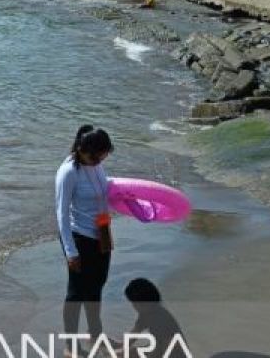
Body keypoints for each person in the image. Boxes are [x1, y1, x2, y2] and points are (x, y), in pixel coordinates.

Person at [56, 125, 115, 340]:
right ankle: (71, 344)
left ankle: (96, 334)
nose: (100, 160)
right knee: (76, 293)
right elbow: (61, 214)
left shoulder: (96, 165)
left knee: (96, 287)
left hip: (101, 233)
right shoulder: (69, 172)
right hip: (79, 236)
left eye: (103, 156)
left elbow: (102, 191)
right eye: (97, 156)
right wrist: (71, 252)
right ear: (82, 150)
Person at [122, 278, 184, 357]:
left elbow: (169, 349)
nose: (133, 306)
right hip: (161, 348)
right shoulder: (146, 312)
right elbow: (134, 333)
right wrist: (121, 347)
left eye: (134, 303)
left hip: (174, 353)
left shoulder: (160, 319)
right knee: (132, 352)